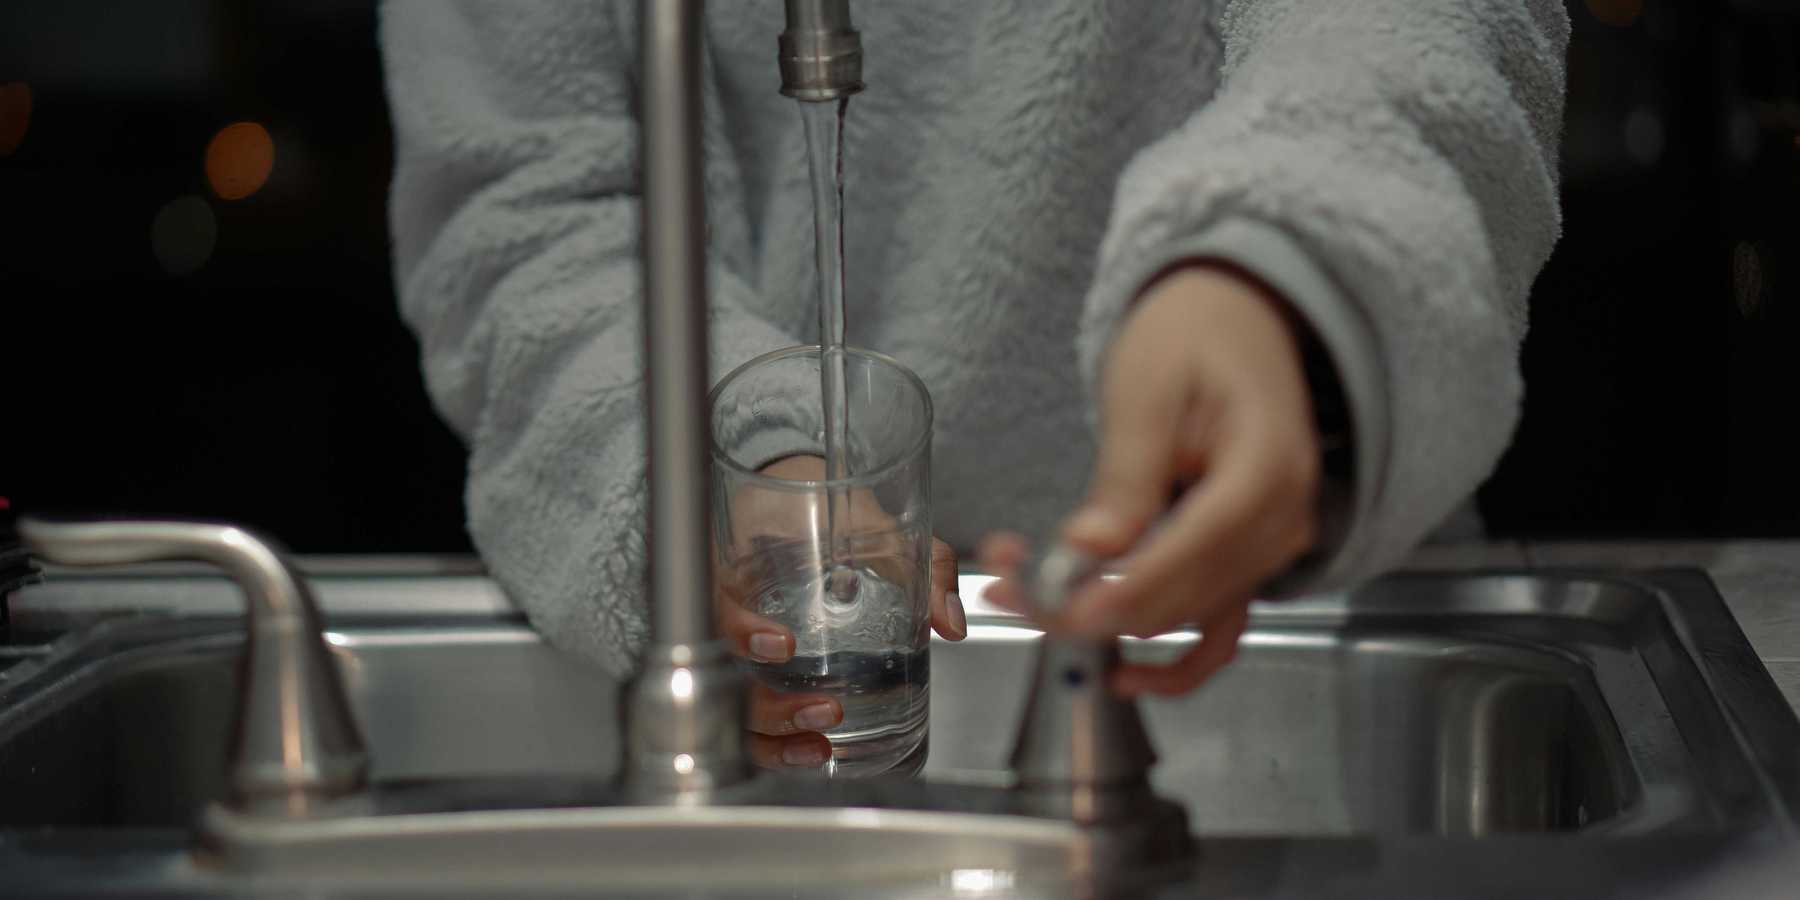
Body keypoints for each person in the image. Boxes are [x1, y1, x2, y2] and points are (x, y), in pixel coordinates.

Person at [380, 0, 1568, 768]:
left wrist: (1279, 270)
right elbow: (528, 205)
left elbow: (1416, 26)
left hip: (1281, 657)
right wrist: (727, 461)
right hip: (766, 712)